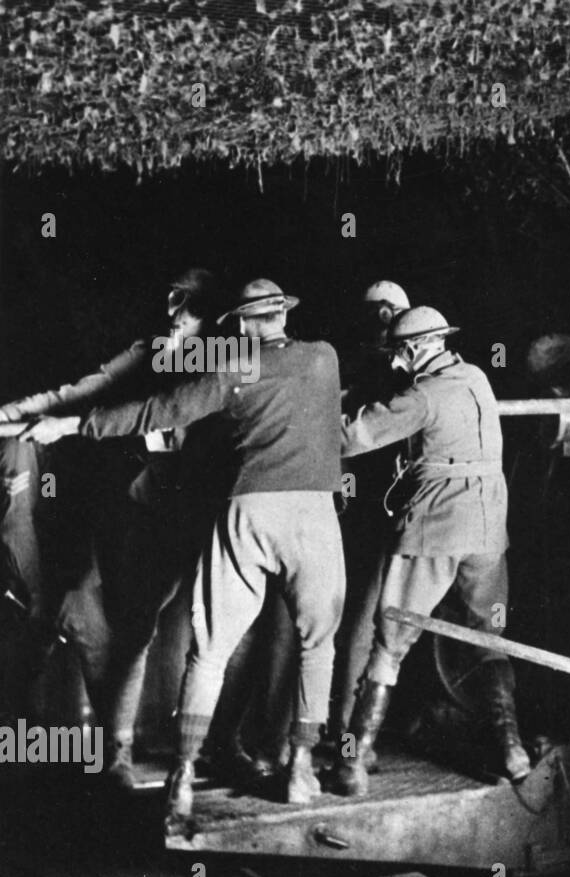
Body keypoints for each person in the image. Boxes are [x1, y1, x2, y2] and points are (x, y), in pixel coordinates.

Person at [25, 279, 346, 817]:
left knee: (211, 649)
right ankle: (301, 769)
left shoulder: (229, 369)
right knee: (318, 645)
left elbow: (158, 410)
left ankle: (182, 777)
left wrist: (72, 425)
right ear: (282, 315)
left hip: (247, 511)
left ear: (240, 325)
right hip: (312, 514)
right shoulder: (325, 357)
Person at [6, 268, 232, 787]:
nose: (173, 316)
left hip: (206, 511)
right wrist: (14, 413)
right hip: (136, 508)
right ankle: (117, 752)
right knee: (129, 626)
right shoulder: (151, 352)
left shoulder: (228, 365)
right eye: (172, 304)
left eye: (186, 307)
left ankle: (220, 744)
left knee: (216, 631)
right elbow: (83, 391)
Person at [332, 305, 529, 795]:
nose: (395, 362)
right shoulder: (478, 377)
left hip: (439, 524)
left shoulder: (421, 396)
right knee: (488, 637)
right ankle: (513, 749)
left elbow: (351, 438)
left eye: (399, 352)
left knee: (390, 640)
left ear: (417, 348)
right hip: (489, 526)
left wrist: (301, 416)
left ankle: (354, 762)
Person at [332, 280, 411, 750]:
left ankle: (336, 727)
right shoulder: (392, 369)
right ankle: (344, 732)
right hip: (376, 506)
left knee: (354, 617)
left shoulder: (353, 361)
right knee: (365, 617)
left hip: (365, 503)